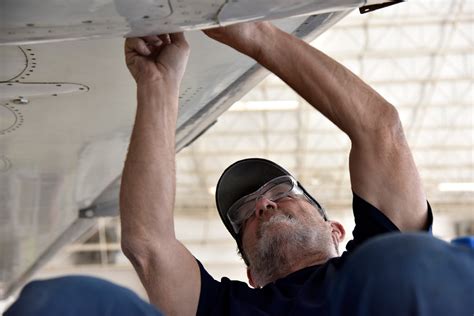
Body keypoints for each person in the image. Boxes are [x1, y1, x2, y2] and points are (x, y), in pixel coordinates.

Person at [6, 22, 473, 316]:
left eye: (280, 191)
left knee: (404, 258)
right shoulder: (228, 308)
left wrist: (252, 32)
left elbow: (380, 128)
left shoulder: (376, 267)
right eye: (246, 214)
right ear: (251, 273)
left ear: (334, 229)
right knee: (61, 301)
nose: (263, 203)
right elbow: (148, 245)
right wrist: (158, 83)